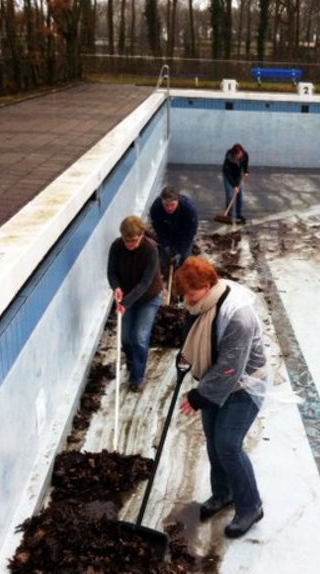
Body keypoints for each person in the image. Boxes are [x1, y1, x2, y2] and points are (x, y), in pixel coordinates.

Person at [176, 256, 267, 539]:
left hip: (244, 385)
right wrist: (186, 355)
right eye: (185, 294)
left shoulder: (237, 316)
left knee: (227, 444)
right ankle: (223, 492)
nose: (188, 300)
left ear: (208, 284)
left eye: (193, 293)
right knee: (214, 441)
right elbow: (195, 335)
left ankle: (251, 506)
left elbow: (230, 368)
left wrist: (198, 396)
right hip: (214, 380)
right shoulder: (199, 304)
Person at [107, 216, 163, 392]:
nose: (130, 244)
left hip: (148, 298)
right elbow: (111, 272)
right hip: (127, 297)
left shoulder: (151, 250)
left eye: (134, 241)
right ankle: (132, 362)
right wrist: (116, 287)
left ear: (141, 236)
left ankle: (137, 377)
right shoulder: (116, 247)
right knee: (125, 338)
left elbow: (145, 283)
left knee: (139, 337)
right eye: (127, 241)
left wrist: (125, 302)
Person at [149, 185, 199, 272]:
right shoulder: (156, 208)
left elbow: (190, 233)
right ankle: (166, 272)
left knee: (185, 259)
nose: (169, 208)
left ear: (178, 200)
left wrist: (180, 251)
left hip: (183, 233)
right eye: (166, 205)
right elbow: (158, 228)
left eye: (172, 205)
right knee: (165, 258)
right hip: (166, 231)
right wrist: (166, 244)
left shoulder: (189, 209)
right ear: (162, 201)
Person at [222, 143, 249, 224]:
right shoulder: (229, 157)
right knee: (230, 196)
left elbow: (245, 165)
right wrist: (234, 186)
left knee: (240, 195)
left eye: (240, 154)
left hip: (238, 175)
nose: (239, 156)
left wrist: (246, 171)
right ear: (234, 154)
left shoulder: (245, 155)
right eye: (237, 155)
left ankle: (238, 214)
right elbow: (226, 172)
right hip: (228, 176)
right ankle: (229, 215)